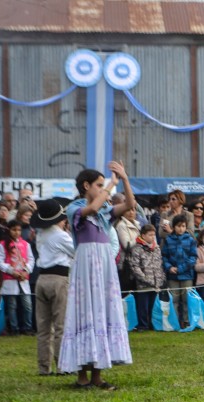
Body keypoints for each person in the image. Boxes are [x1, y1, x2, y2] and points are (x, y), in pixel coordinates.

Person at [59, 163, 135, 388]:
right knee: (84, 312)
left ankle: (97, 376)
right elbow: (91, 209)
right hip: (85, 264)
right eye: (99, 185)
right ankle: (82, 376)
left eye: (103, 185)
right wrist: (112, 184)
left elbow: (130, 205)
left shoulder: (105, 211)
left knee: (102, 311)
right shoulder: (74, 208)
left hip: (104, 264)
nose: (104, 189)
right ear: (86, 186)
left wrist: (125, 179)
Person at [30, 200, 74, 374]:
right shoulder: (61, 236)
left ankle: (44, 367)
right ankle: (62, 366)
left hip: (41, 279)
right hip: (58, 279)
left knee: (43, 327)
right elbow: (76, 251)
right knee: (61, 325)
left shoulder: (41, 233)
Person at [0, 219, 36, 335]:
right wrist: (11, 270)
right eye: (14, 230)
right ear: (9, 230)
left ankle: (27, 328)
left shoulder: (26, 244)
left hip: (23, 278)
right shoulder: (2, 244)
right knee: (12, 305)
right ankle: (14, 329)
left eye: (19, 230)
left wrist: (26, 271)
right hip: (10, 279)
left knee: (27, 305)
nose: (17, 232)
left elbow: (31, 259)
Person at [162, 214, 197, 326]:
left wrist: (181, 269)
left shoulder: (191, 240)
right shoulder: (168, 240)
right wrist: (169, 267)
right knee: (174, 300)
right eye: (178, 226)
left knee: (186, 299)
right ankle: (175, 321)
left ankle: (186, 321)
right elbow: (164, 256)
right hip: (172, 275)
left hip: (187, 275)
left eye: (183, 226)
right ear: (173, 227)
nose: (181, 228)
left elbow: (193, 257)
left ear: (186, 227)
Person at [129, 224, 165, 332]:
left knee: (152, 306)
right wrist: (145, 278)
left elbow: (160, 264)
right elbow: (134, 266)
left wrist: (161, 277)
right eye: (150, 235)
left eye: (154, 235)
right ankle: (142, 325)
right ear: (143, 235)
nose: (153, 237)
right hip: (143, 284)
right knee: (143, 306)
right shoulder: (136, 249)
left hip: (156, 283)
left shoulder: (157, 248)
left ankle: (151, 324)